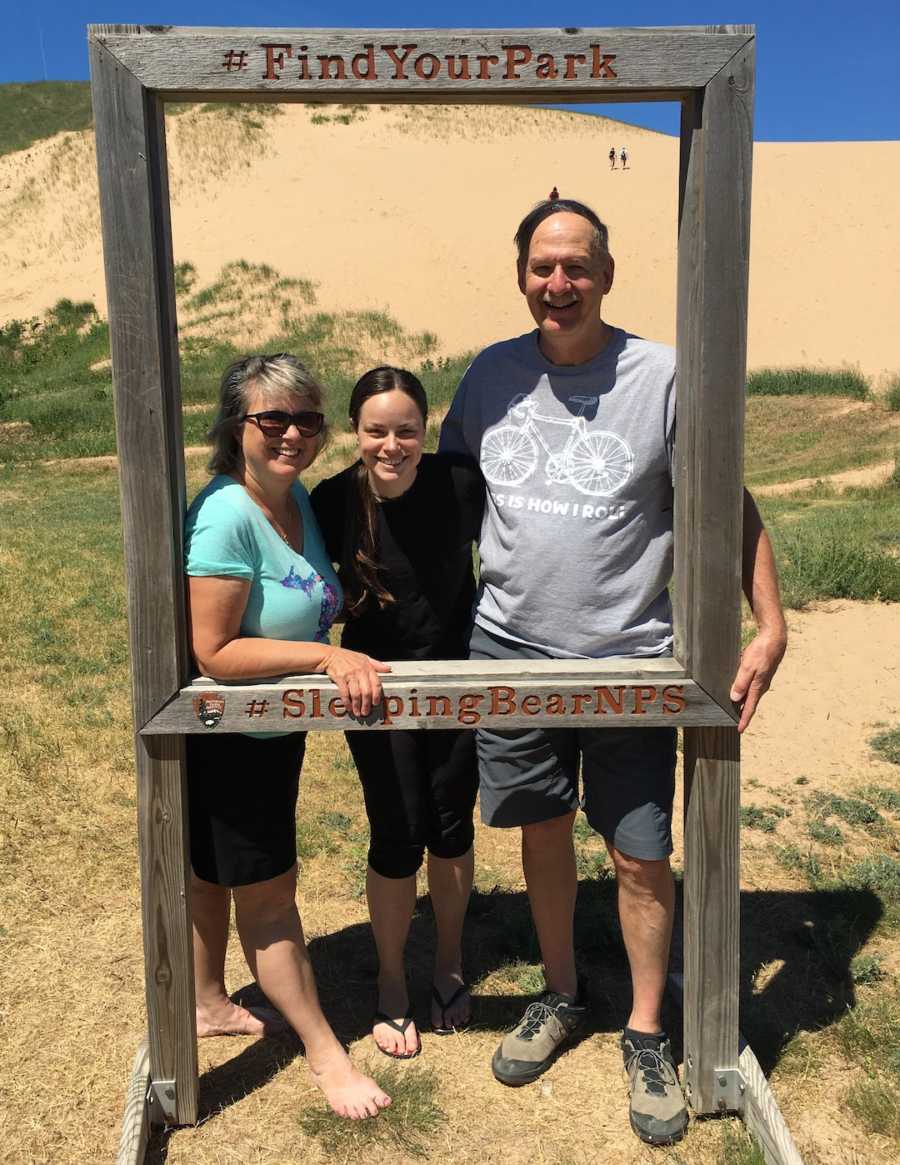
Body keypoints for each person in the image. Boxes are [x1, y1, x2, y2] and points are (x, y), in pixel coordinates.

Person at [439, 198, 787, 1145]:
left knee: (640, 849)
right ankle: (561, 992)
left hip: (633, 656)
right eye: (544, 266)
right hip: (508, 651)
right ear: (522, 273)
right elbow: (446, 500)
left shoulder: (663, 374)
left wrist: (770, 620)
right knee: (541, 830)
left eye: (578, 265)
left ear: (607, 273)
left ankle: (643, 1028)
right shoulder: (488, 375)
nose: (560, 283)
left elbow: (730, 497)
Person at [184, 352, 392, 1120]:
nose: (294, 433)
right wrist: (325, 653)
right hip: (229, 740)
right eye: (273, 418)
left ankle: (207, 1000)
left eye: (307, 418)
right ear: (236, 427)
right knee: (269, 902)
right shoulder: (226, 512)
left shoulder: (293, 499)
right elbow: (215, 649)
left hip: (273, 734)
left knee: (210, 874)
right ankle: (325, 1053)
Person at [311, 366, 484, 1059]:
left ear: (426, 429)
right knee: (395, 828)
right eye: (376, 430)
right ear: (356, 433)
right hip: (372, 686)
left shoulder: (458, 484)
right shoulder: (332, 501)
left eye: (406, 429)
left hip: (455, 678)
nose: (392, 444)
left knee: (449, 822)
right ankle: (390, 979)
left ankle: (446, 963)